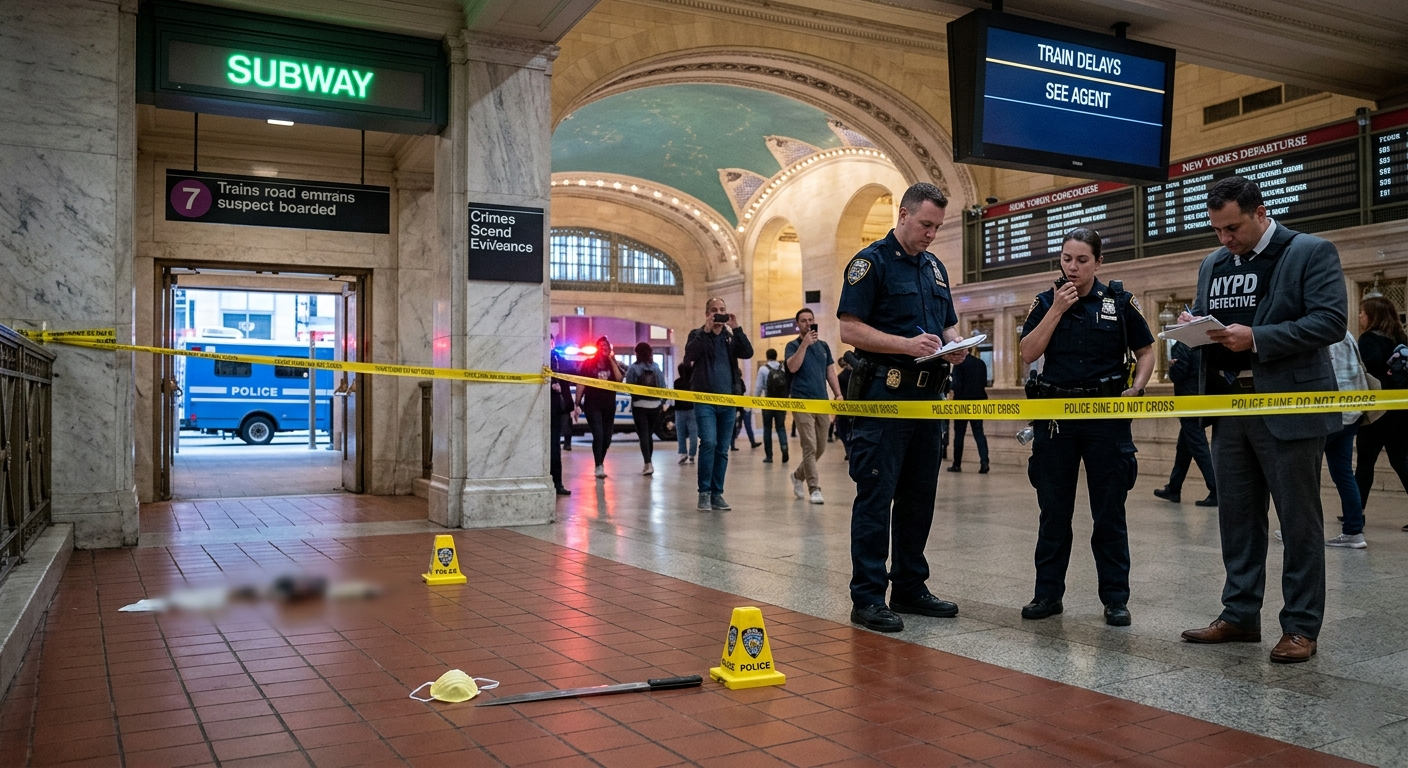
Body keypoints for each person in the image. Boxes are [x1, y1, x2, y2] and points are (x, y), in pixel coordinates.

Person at [1177, 175, 1346, 664]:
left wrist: (1257, 338)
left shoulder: (1310, 251)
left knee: (1298, 521)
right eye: (1217, 230)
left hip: (1288, 405)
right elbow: (1210, 319)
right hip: (1230, 408)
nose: (1225, 238)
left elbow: (1330, 321)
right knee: (1237, 519)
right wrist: (1194, 328)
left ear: (1260, 213)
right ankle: (1239, 614)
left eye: (1232, 228)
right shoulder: (1213, 263)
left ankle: (1300, 626)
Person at [837, 181, 967, 633]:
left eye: (938, 227)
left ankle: (910, 586)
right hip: (885, 398)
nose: (931, 233)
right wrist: (906, 345)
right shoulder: (870, 263)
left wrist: (955, 345)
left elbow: (947, 324)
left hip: (928, 400)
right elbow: (850, 329)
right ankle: (868, 597)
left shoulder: (934, 268)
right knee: (876, 497)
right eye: (926, 224)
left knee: (918, 497)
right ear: (904, 214)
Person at [1019, 228, 1155, 628]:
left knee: (1109, 513)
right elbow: (1028, 352)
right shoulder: (1046, 301)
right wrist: (1057, 310)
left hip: (1105, 417)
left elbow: (1146, 351)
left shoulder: (1119, 302)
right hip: (1056, 419)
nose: (1073, 267)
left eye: (1081, 260)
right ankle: (1047, 595)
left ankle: (1115, 599)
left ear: (1098, 262)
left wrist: (1137, 387)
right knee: (1053, 513)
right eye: (1066, 259)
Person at [683, 297, 753, 511]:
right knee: (709, 442)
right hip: (705, 400)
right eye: (714, 310)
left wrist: (737, 328)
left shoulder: (730, 337)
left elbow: (748, 352)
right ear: (707, 314)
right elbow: (689, 355)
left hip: (728, 401)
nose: (718, 313)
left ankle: (717, 494)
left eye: (722, 309)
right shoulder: (697, 334)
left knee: (722, 448)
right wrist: (706, 331)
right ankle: (704, 493)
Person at [1354, 295, 1408, 523]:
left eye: (1363, 313)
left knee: (1365, 462)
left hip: (1378, 410)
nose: (1359, 316)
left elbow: (1366, 372)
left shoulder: (1368, 340)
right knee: (1401, 460)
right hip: (1401, 408)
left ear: (1373, 316)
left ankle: (1356, 513)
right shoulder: (1401, 338)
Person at [785, 308, 844, 504]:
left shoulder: (824, 346)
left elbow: (830, 371)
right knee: (809, 445)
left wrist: (838, 394)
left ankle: (797, 475)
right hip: (801, 401)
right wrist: (804, 344)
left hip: (821, 401)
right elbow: (792, 367)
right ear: (798, 324)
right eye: (803, 320)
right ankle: (814, 488)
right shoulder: (792, 345)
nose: (808, 323)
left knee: (820, 447)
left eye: (810, 319)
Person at [1153, 341, 1217, 506]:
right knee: (1184, 449)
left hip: (1188, 402)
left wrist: (1172, 367)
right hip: (1201, 399)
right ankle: (1174, 488)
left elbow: (1178, 375)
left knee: (1199, 447)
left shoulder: (1182, 346)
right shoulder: (1202, 345)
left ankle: (1216, 489)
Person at [1323, 332, 1368, 548]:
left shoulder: (1321, 334)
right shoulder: (1346, 334)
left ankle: (1299, 529)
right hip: (1351, 411)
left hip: (1327, 413)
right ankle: (1354, 530)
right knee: (1344, 474)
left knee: (1303, 473)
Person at [575, 336, 622, 479]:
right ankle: (598, 465)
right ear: (597, 348)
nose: (604, 349)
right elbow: (581, 383)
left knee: (607, 438)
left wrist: (612, 360)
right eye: (601, 346)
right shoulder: (589, 364)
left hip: (609, 405)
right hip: (592, 404)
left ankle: (600, 461)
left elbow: (619, 379)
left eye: (606, 346)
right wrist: (577, 403)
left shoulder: (612, 363)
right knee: (598, 434)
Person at [624, 342, 666, 476]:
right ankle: (649, 463)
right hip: (655, 406)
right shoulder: (656, 367)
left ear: (637, 353)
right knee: (649, 435)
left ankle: (648, 463)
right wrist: (661, 403)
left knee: (643, 435)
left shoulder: (633, 368)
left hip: (639, 405)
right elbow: (663, 386)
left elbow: (629, 386)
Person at [946, 347, 990, 473]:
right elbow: (984, 382)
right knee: (979, 432)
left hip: (962, 403)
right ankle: (984, 462)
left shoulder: (959, 364)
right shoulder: (980, 363)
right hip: (978, 402)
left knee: (959, 435)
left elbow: (956, 384)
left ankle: (957, 464)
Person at [754, 349, 789, 463]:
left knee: (767, 428)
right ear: (776, 356)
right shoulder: (783, 368)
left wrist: (754, 400)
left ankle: (769, 456)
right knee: (781, 427)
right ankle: (784, 447)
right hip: (781, 403)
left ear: (767, 356)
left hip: (768, 403)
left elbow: (759, 387)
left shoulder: (763, 369)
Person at [548, 347, 575, 497]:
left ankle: (557, 483)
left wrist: (571, 406)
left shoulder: (559, 361)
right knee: (553, 448)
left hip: (556, 411)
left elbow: (568, 380)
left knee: (555, 448)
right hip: (544, 409)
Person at [674, 363, 697, 465]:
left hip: (679, 410)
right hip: (692, 409)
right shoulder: (694, 382)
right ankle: (692, 455)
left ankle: (683, 453)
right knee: (693, 433)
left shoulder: (677, 383)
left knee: (681, 433)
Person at [835, 356, 853, 459]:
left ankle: (848, 450)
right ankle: (849, 450)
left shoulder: (841, 376)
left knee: (842, 430)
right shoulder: (855, 375)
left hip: (843, 407)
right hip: (854, 407)